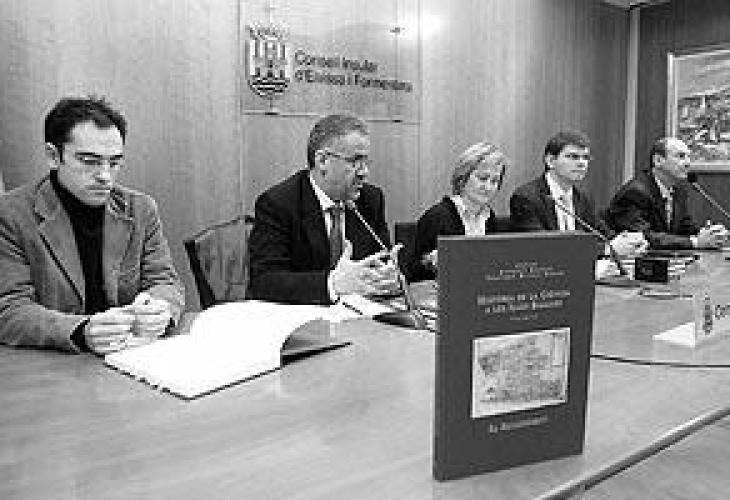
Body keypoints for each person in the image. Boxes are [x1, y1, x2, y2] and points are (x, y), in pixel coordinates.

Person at [0, 96, 184, 354]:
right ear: (53, 156)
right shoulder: (11, 215)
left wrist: (159, 310)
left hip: (130, 355)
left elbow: (165, 282)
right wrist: (81, 331)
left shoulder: (141, 210)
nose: (105, 176)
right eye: (89, 161)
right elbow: (9, 310)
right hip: (54, 363)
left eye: (114, 162)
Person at [247, 113, 399, 305]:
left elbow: (382, 259)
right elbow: (264, 282)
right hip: (304, 315)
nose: (364, 172)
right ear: (322, 161)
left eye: (366, 162)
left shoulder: (370, 199)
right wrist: (333, 284)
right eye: (355, 161)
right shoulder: (278, 204)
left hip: (359, 315)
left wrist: (388, 275)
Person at [509, 130, 648, 272]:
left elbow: (602, 233)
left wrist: (630, 242)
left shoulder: (583, 197)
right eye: (573, 157)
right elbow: (542, 247)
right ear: (550, 161)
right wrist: (608, 249)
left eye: (586, 158)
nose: (582, 163)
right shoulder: (526, 197)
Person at [406, 141, 508, 282]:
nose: (488, 187)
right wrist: (431, 263)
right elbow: (413, 274)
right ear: (462, 178)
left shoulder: (489, 218)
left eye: (495, 181)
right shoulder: (436, 217)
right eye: (482, 178)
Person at [606, 137, 727, 250]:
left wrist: (710, 234)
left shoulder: (678, 191)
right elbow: (643, 238)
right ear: (658, 160)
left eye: (688, 157)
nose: (688, 163)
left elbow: (685, 228)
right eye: (681, 156)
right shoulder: (635, 192)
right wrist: (695, 242)